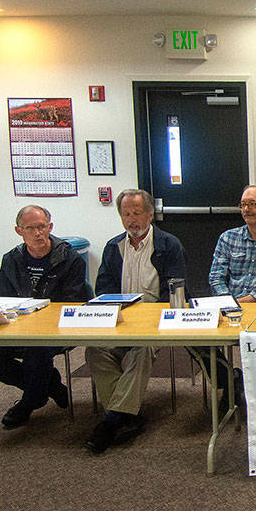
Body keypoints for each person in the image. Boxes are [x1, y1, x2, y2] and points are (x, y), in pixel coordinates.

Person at [84, 189, 187, 454]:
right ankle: (126, 414)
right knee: (95, 351)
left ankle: (110, 421)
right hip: (119, 320)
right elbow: (103, 289)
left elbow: (175, 289)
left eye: (137, 213)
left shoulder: (168, 245)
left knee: (139, 351)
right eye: (125, 213)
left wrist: (150, 316)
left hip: (153, 321)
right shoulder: (113, 246)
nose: (131, 219)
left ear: (150, 215)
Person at [0, 205, 91, 429]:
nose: (37, 233)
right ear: (18, 231)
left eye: (42, 227)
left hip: (54, 330)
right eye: (30, 228)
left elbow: (72, 302)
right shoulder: (12, 259)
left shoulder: (70, 259)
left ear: (50, 227)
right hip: (17, 327)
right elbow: (2, 299)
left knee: (37, 350)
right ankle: (50, 385)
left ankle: (30, 401)